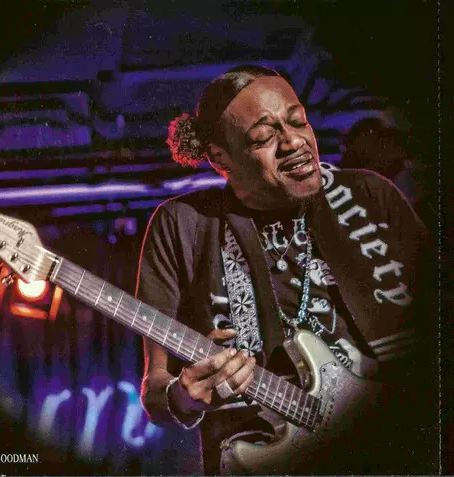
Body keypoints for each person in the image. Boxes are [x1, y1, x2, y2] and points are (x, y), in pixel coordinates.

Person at [135, 65, 436, 474]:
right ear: (221, 158)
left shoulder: (367, 195)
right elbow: (156, 391)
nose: (294, 141)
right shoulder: (185, 224)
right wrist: (183, 396)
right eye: (264, 137)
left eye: (298, 121)